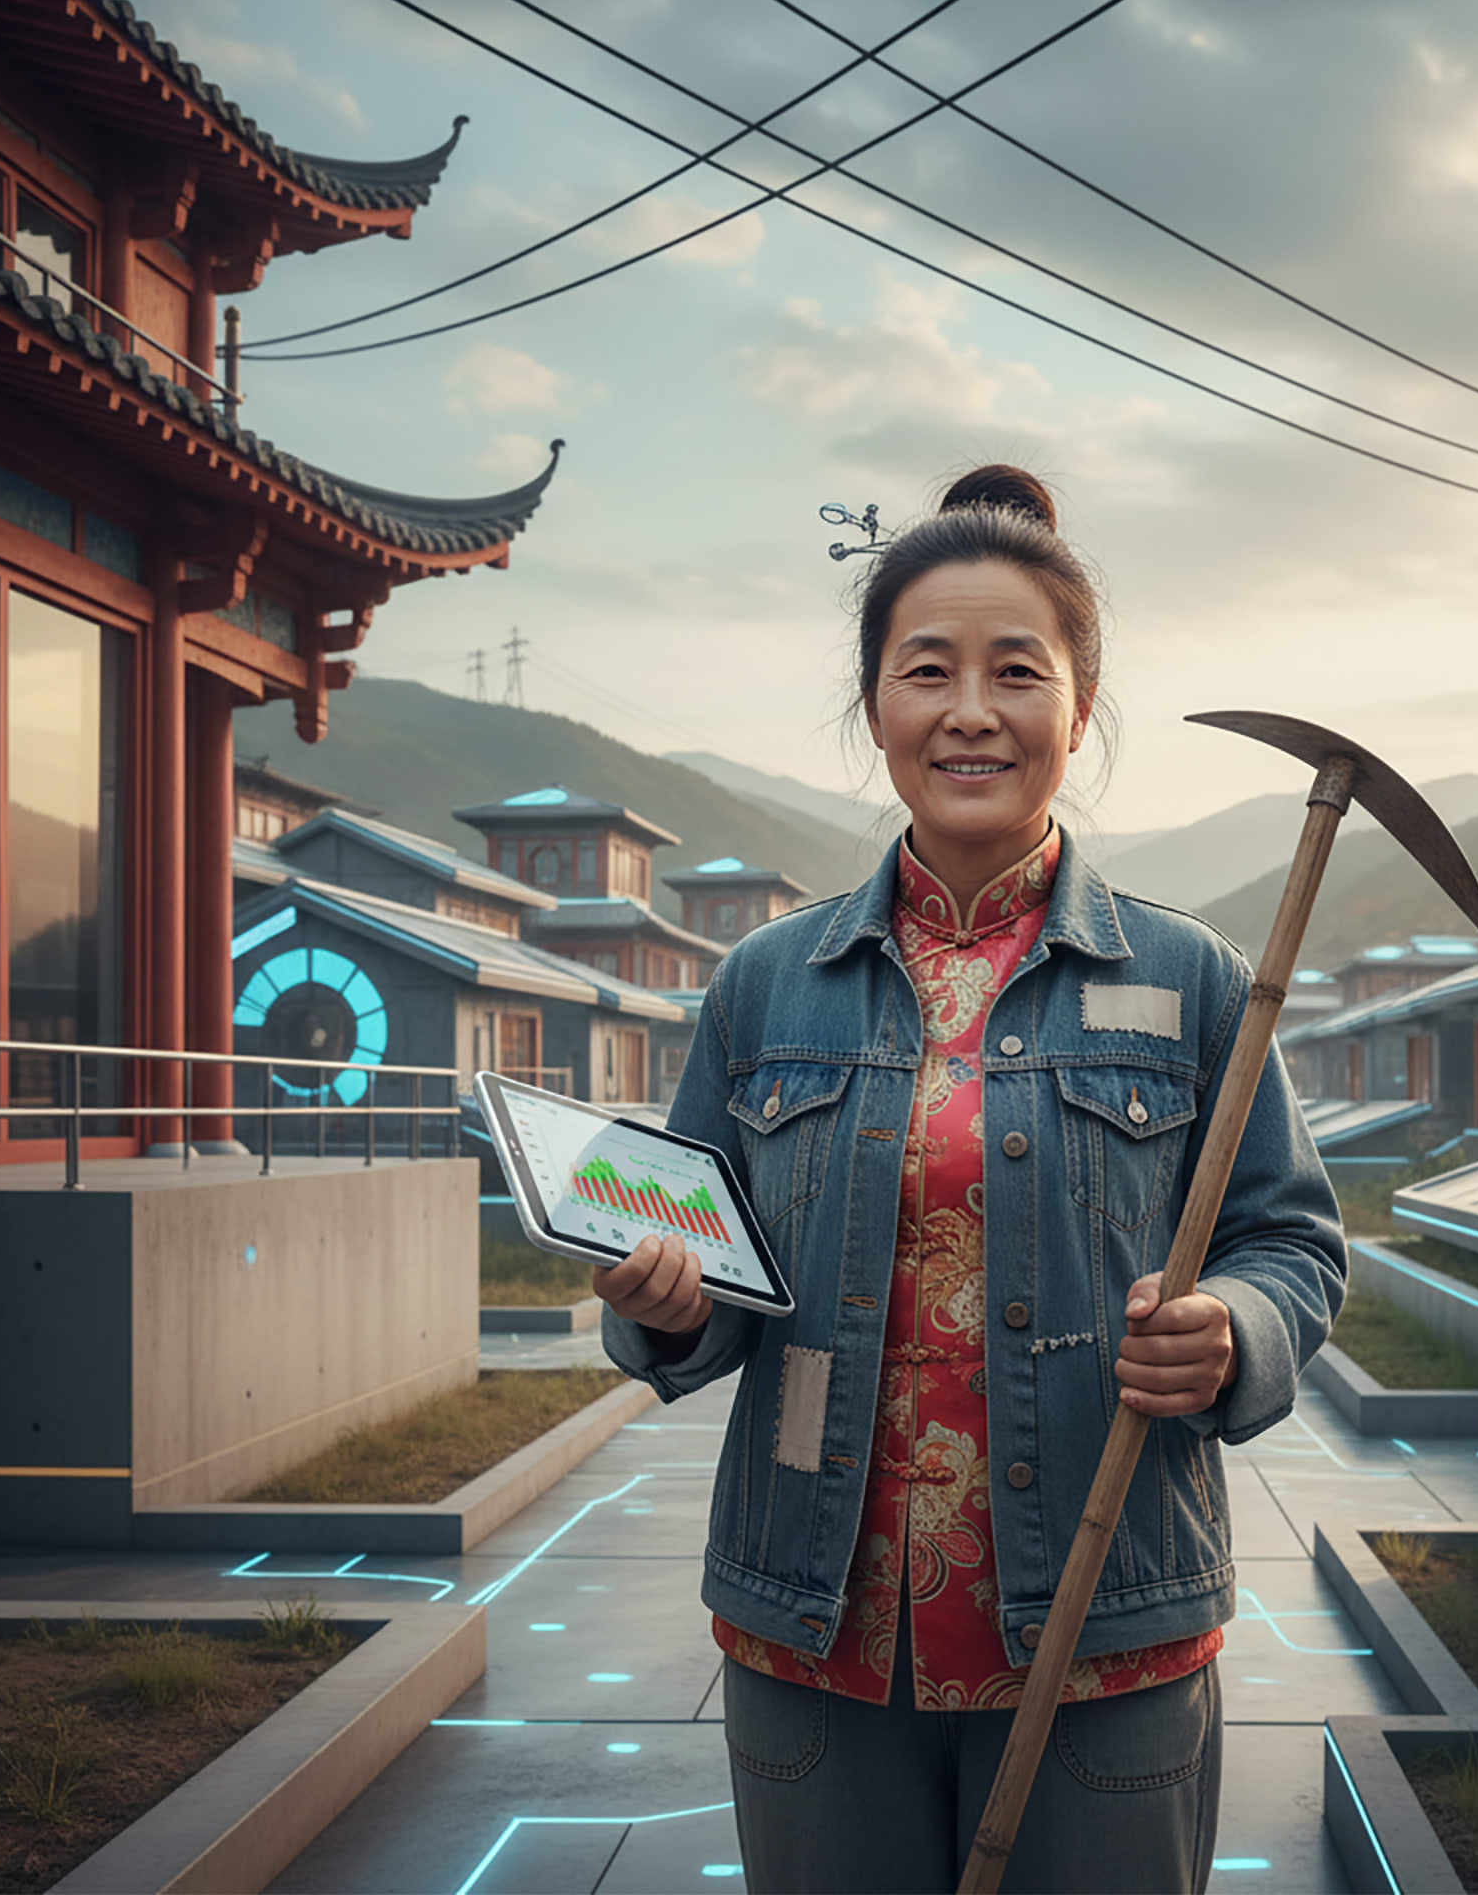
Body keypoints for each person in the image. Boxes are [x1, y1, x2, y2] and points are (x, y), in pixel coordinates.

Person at [595, 464, 1345, 1895]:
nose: (970, 712)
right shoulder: (767, 984)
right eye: (925, 670)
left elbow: (1291, 1244)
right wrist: (669, 1296)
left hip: (1101, 1624)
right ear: (875, 704)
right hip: (820, 1632)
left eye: (1017, 671)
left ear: (1079, 703)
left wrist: (1233, 1331)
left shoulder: (1190, 980)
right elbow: (712, 1273)